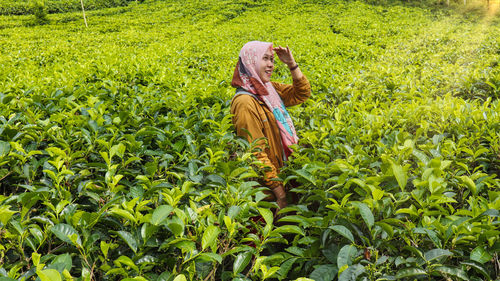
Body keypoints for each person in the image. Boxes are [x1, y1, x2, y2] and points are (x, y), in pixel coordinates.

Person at [230, 41, 311, 209]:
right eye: (265, 59)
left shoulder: (268, 89)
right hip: (267, 191)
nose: (270, 65)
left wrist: (291, 64)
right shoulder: (245, 102)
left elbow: (301, 93)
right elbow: (255, 151)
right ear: (250, 61)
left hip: (283, 174)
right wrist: (279, 192)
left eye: (272, 60)